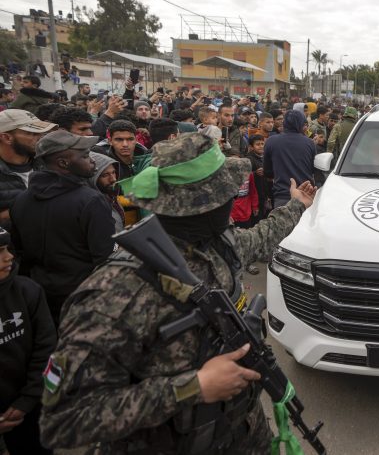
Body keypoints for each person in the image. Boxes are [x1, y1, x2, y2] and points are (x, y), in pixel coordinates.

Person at [40, 133, 317, 453]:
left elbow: (259, 238)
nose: (231, 199)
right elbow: (63, 420)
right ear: (204, 206)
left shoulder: (217, 243)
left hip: (242, 434)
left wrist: (297, 205)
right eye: (226, 193)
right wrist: (193, 387)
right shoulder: (115, 294)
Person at [10, 131, 115, 326]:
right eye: (84, 156)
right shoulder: (91, 201)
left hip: (41, 297)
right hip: (83, 297)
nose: (91, 161)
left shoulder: (21, 200)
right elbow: (106, 257)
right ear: (63, 163)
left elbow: (19, 253)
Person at [0, 226, 56, 455]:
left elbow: (47, 349)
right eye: (0, 251)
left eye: (7, 248)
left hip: (29, 409)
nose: (9, 256)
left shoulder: (28, 292)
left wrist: (28, 399)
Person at [0, 110, 56, 228]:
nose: (41, 138)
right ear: (6, 138)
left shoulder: (49, 163)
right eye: (33, 133)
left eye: (41, 133)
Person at [264, 109, 315, 208]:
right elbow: (312, 169)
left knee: (282, 222)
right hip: (305, 196)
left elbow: (268, 172)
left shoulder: (271, 141)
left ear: (284, 123)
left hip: (282, 196)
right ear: (301, 125)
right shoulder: (310, 143)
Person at [88, 152, 125, 232]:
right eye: (105, 175)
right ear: (93, 178)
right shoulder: (94, 208)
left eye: (113, 172)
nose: (113, 179)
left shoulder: (111, 198)